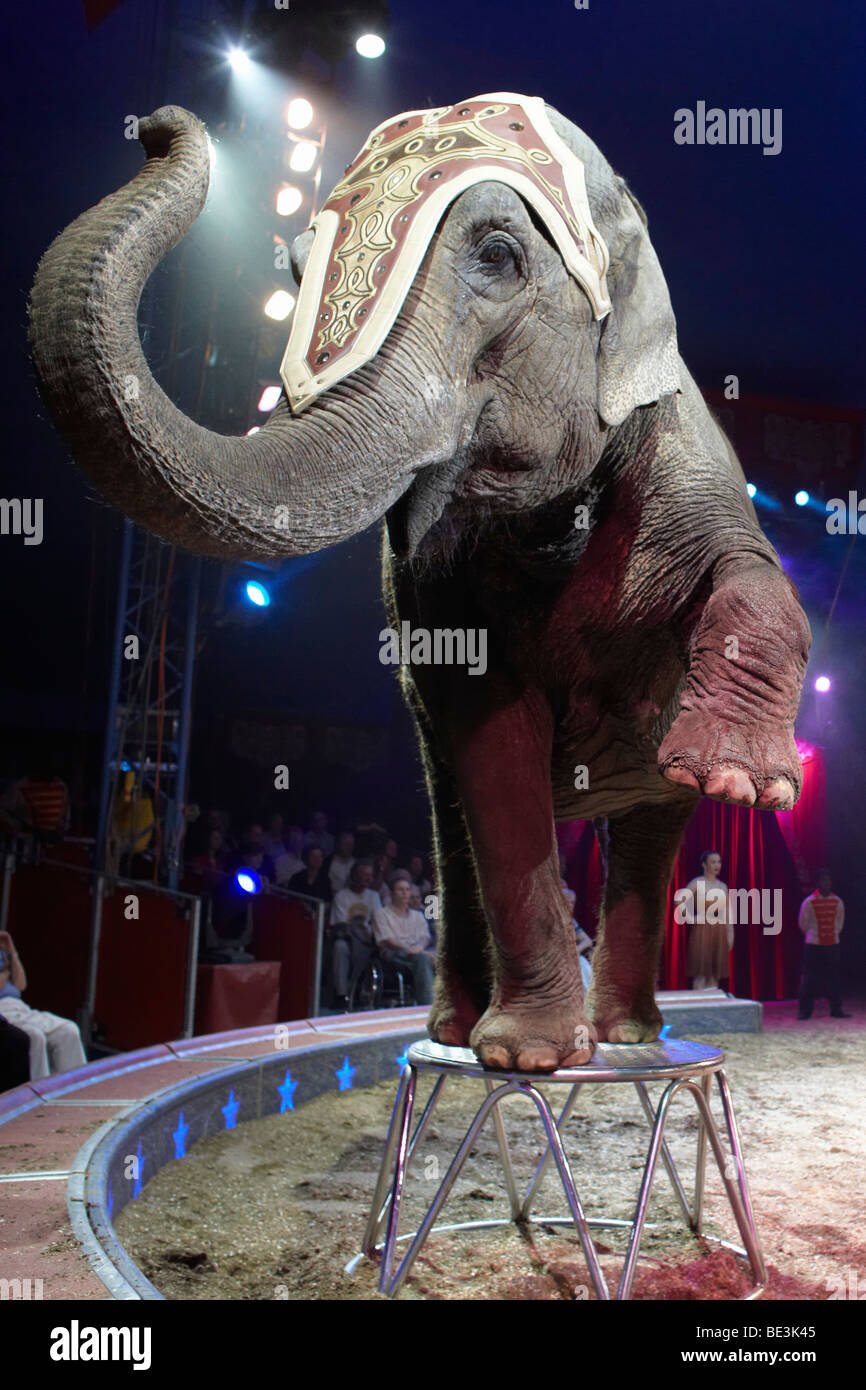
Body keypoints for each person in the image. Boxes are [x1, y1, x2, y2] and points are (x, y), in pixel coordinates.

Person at [0, 932, 87, 1080]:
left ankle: (77, 1090)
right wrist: (7, 970)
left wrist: (11, 951)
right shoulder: (5, 969)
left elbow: (21, 985)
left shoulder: (4, 955)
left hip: (20, 1008)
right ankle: (39, 1095)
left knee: (68, 1031)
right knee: (35, 1036)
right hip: (3, 1011)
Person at [373, 877, 435, 1005]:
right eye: (400, 890)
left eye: (407, 890)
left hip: (418, 951)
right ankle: (428, 1005)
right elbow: (388, 940)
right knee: (423, 959)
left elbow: (425, 937)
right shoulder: (381, 914)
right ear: (391, 893)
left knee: (442, 957)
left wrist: (419, 949)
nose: (405, 893)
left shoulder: (418, 915)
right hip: (394, 954)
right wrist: (410, 950)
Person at [797, 871, 850, 1020]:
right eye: (823, 881)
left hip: (832, 943)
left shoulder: (837, 901)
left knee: (834, 977)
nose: (826, 884)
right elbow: (803, 923)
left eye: (828, 881)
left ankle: (836, 1009)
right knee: (809, 978)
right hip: (814, 944)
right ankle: (805, 1011)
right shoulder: (809, 901)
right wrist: (813, 935)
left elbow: (839, 921)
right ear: (818, 883)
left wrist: (832, 934)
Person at [683, 850, 732, 990]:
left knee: (714, 975)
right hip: (702, 930)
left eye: (719, 862)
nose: (717, 865)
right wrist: (692, 917)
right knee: (701, 974)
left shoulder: (722, 886)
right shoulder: (698, 882)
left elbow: (727, 912)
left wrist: (730, 934)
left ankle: (712, 1007)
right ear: (704, 865)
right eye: (713, 862)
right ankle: (698, 1007)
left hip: (719, 930)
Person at [325, 831, 356, 897]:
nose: (349, 848)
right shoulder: (327, 863)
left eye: (351, 845)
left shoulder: (355, 863)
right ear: (337, 844)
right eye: (346, 844)